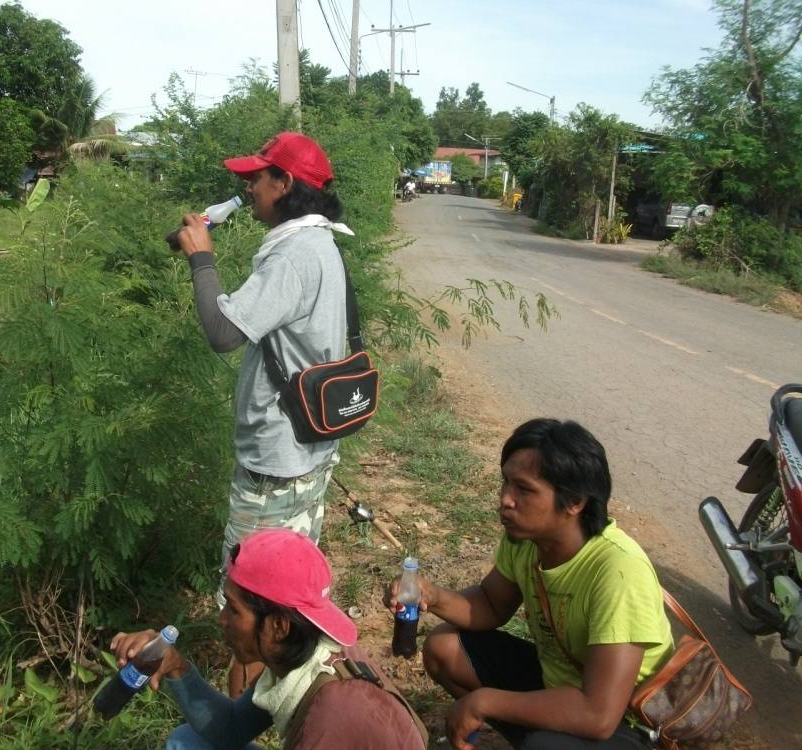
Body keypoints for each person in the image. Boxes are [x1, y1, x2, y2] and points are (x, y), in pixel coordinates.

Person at [173, 132, 351, 695]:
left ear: (286, 184)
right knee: (289, 595)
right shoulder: (319, 243)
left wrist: (202, 257)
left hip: (276, 462)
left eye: (257, 177)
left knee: (250, 606)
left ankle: (237, 719)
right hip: (306, 450)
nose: (248, 188)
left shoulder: (296, 254)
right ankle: (284, 703)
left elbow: (224, 332)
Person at [386, 418, 674, 750]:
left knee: (545, 746)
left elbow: (598, 714)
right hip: (559, 683)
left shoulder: (618, 571)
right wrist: (430, 595)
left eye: (524, 489)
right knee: (443, 648)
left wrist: (485, 701)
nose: (505, 500)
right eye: (505, 482)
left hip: (628, 719)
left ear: (574, 502)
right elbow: (491, 605)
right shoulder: (526, 541)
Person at [110, 529, 427, 749]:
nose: (222, 620)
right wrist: (175, 666)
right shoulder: (305, 653)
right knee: (187, 743)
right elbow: (231, 730)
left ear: (278, 626)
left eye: (233, 610)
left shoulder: (330, 715)